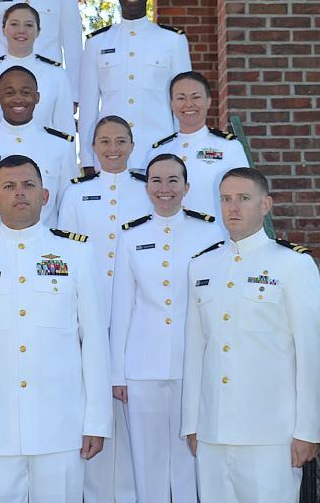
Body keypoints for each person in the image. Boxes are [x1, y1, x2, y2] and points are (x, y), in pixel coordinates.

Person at [0, 154, 112, 503]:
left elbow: (94, 342)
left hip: (61, 427)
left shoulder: (76, 253)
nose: (20, 193)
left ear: (45, 195)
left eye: (29, 185)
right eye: (9, 186)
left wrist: (96, 420)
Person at [181, 167, 320, 503]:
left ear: (266, 205)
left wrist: (307, 430)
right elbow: (195, 352)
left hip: (270, 434)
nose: (233, 207)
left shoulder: (292, 265)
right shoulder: (201, 267)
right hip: (213, 432)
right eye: (226, 199)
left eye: (244, 199)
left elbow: (313, 353)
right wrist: (192, 423)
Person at [110, 154, 222, 503]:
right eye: (156, 180)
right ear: (146, 187)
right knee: (147, 461)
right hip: (143, 365)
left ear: (187, 187)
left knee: (192, 459)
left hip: (195, 363)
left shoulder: (209, 230)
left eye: (173, 180)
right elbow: (122, 305)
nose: (165, 189)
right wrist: (117, 373)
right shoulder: (131, 235)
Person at [58, 115, 150, 503]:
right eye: (104, 141)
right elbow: (63, 252)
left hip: (137, 314)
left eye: (121, 141)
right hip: (89, 311)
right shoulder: (77, 193)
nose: (113, 149)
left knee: (133, 416)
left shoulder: (148, 190)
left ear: (132, 145)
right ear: (91, 147)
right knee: (91, 405)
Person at [79, 0, 192, 172]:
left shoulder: (172, 40)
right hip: (111, 158)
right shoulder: (97, 43)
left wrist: (182, 155)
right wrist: (88, 160)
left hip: (160, 153)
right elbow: (88, 108)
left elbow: (182, 103)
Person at [0, 66, 77, 231]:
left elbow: (67, 207)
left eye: (26, 92)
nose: (18, 99)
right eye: (9, 93)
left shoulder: (61, 145)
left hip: (45, 249)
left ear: (37, 97)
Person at [145, 71, 249, 233]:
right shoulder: (159, 150)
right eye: (181, 98)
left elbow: (245, 196)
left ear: (208, 101)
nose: (189, 104)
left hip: (216, 239)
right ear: (171, 104)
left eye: (196, 97)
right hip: (168, 238)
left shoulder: (228, 146)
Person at [0, 3, 75, 135]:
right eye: (14, 24)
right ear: (3, 29)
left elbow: (65, 130)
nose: (21, 30)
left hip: (44, 152)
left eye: (28, 25)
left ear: (38, 31)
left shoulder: (57, 75)